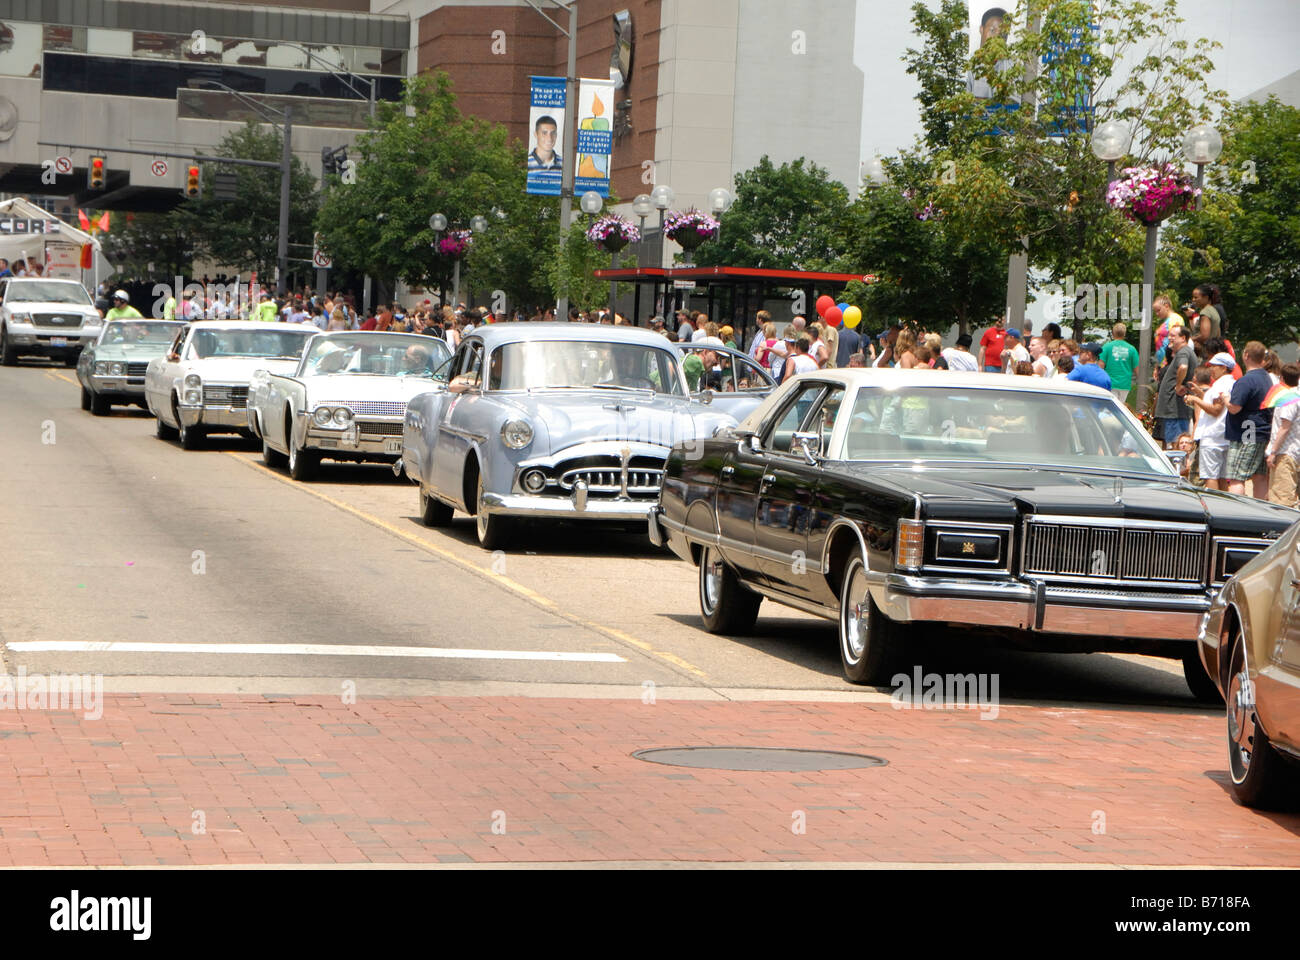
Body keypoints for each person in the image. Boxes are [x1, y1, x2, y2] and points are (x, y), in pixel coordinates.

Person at [1225, 341, 1273, 499]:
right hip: (1262, 431)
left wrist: (1225, 399)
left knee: (1236, 477)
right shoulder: (1266, 378)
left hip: (1246, 432)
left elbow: (1234, 407)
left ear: (1246, 355)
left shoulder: (1246, 380)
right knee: (1259, 476)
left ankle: (1236, 515)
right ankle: (1260, 513)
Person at [1184, 353, 1236, 491]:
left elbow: (1215, 410)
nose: (1210, 369)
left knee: (1211, 476)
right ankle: (1225, 506)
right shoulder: (1232, 383)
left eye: (1213, 366)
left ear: (1224, 368)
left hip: (1212, 436)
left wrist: (1195, 399)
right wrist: (1201, 395)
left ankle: (1214, 505)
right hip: (1224, 435)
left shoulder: (1220, 385)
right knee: (1223, 477)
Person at [1154, 325, 1196, 448]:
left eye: (1173, 336)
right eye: (1169, 335)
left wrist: (1178, 385)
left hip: (1175, 409)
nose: (1169, 338)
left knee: (1176, 445)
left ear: (1183, 338)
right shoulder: (1185, 352)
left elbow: (1183, 367)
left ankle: (1178, 467)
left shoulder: (1183, 352)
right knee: (1175, 444)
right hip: (1174, 409)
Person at [1265, 363, 1300, 507]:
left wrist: (1273, 452)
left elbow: (1284, 427)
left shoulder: (1289, 398)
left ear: (1282, 378)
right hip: (1294, 452)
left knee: (1282, 500)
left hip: (1285, 453)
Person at [1098, 322, 1138, 405]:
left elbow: (1100, 365)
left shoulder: (1107, 347)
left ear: (1113, 333)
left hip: (1110, 383)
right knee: (1120, 407)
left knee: (1109, 408)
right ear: (1124, 334)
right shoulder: (1132, 349)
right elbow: (1136, 368)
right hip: (1125, 384)